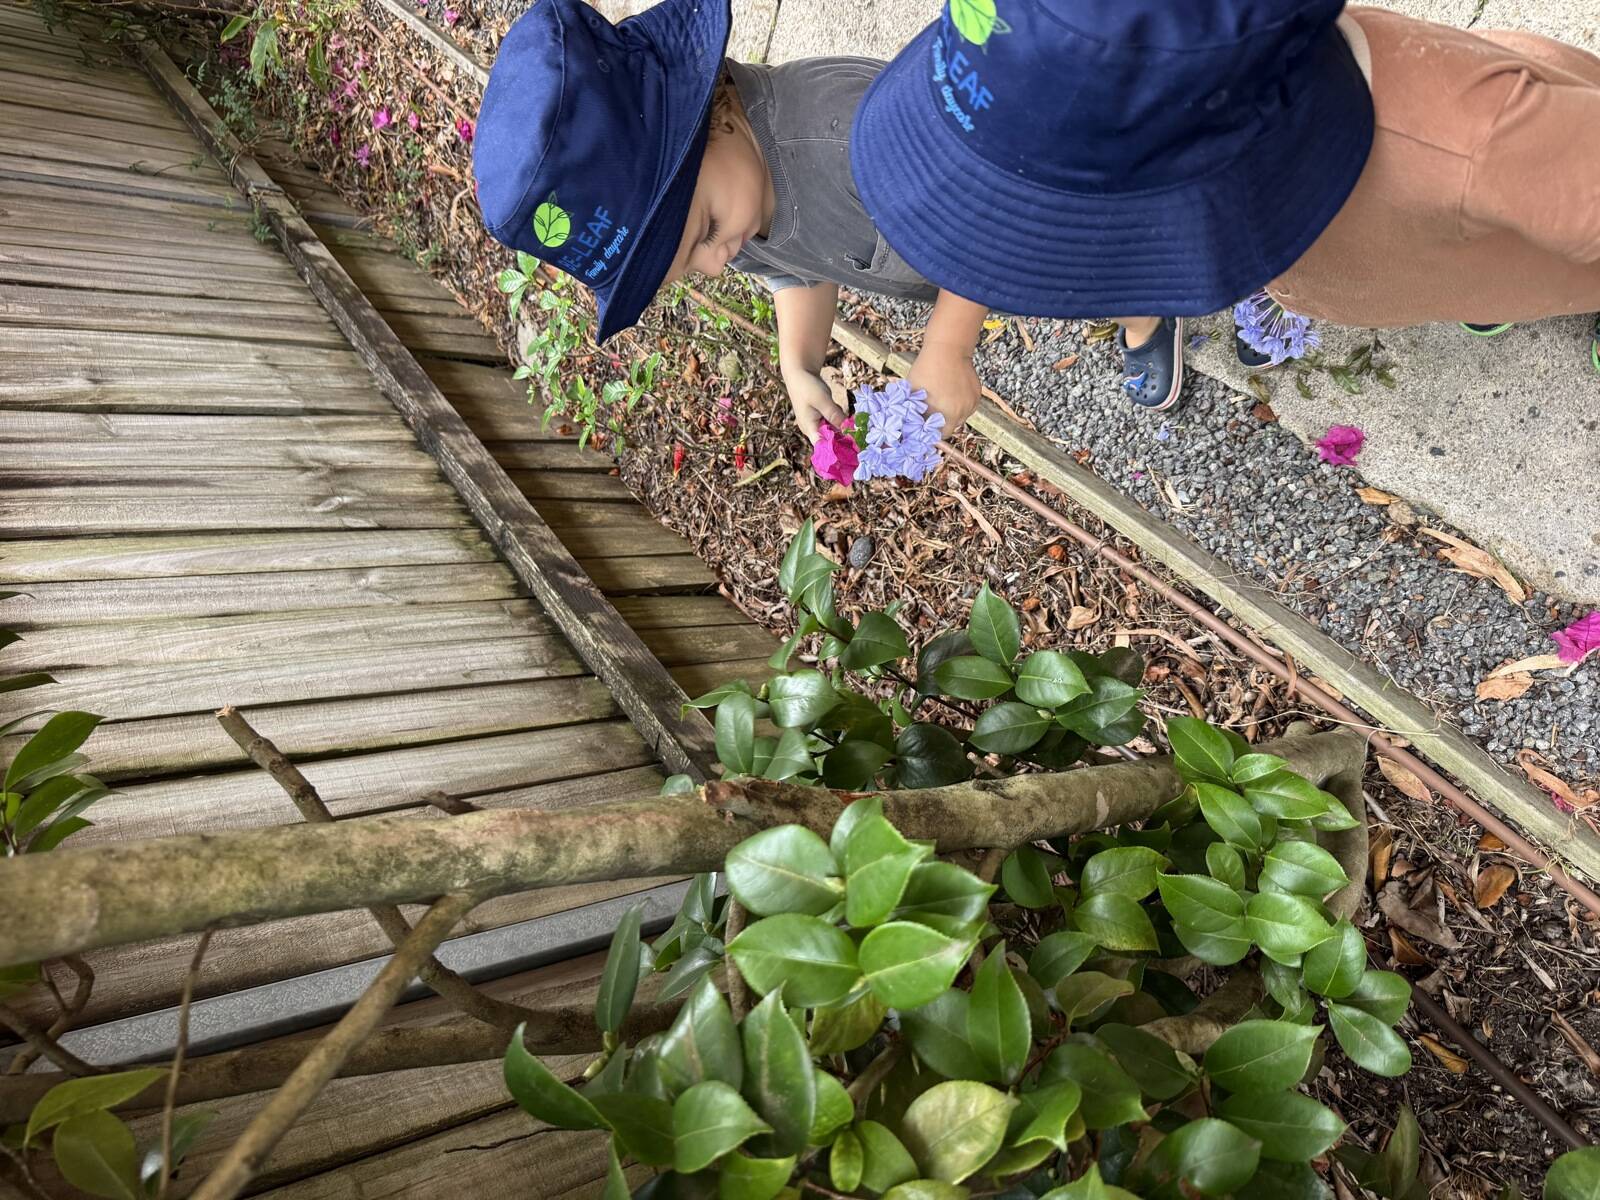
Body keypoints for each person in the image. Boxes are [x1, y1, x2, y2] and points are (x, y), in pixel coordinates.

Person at [849, 0, 1600, 378]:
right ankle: (1488, 282)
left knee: (1530, 245)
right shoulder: (1236, 84)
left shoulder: (1478, 141)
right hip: (1435, 245)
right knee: (1474, 269)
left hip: (1517, 195)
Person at [471, 0, 991, 444]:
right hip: (993, 273)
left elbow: (990, 199)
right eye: (690, 265)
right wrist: (799, 365)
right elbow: (797, 267)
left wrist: (949, 345)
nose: (717, 264)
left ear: (714, 113)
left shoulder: (848, 136)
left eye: (704, 233)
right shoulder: (729, 198)